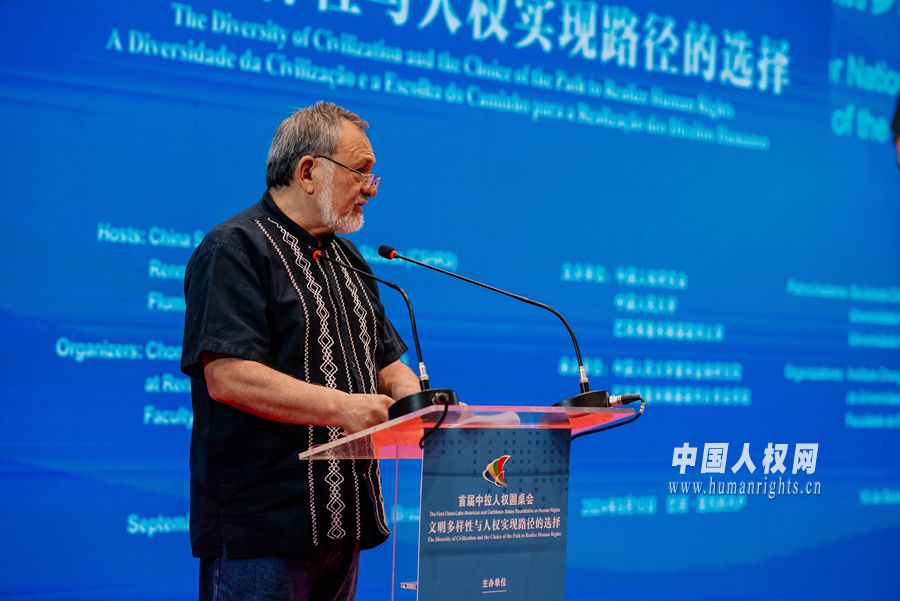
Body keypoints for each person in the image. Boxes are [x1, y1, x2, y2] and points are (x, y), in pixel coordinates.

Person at [181, 101, 421, 601]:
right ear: (308, 171)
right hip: (263, 530)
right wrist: (346, 408)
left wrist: (419, 402)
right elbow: (228, 374)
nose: (371, 189)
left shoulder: (348, 257)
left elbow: (384, 362)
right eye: (361, 172)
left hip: (343, 523)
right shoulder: (234, 248)